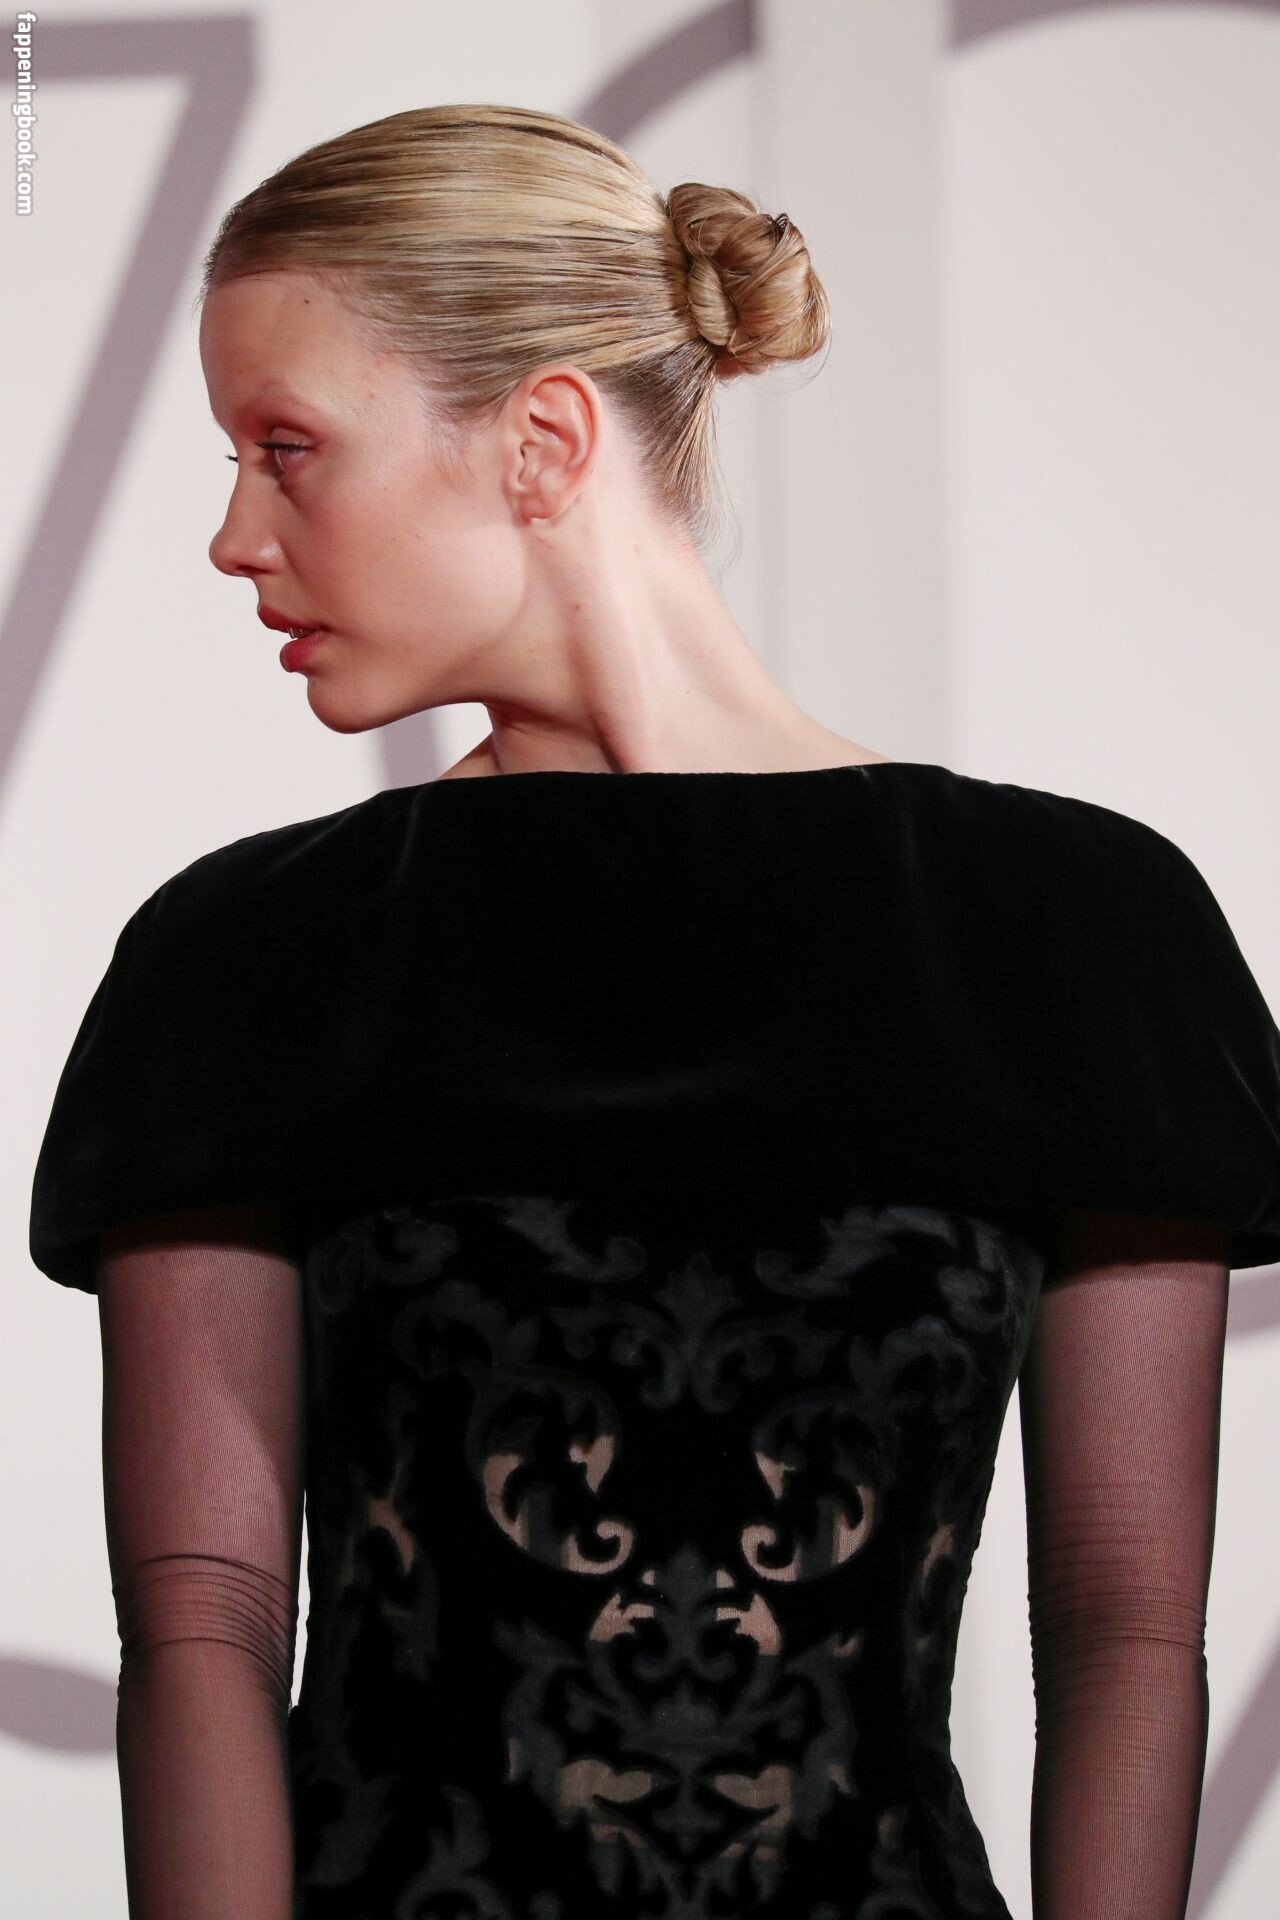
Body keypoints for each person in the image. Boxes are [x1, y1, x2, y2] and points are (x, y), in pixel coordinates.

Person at [26, 102, 1280, 1920]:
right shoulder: (244, 961)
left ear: (542, 440)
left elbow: (1125, 1628)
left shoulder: (1079, 933)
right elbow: (201, 1626)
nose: (232, 537)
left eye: (285, 450)